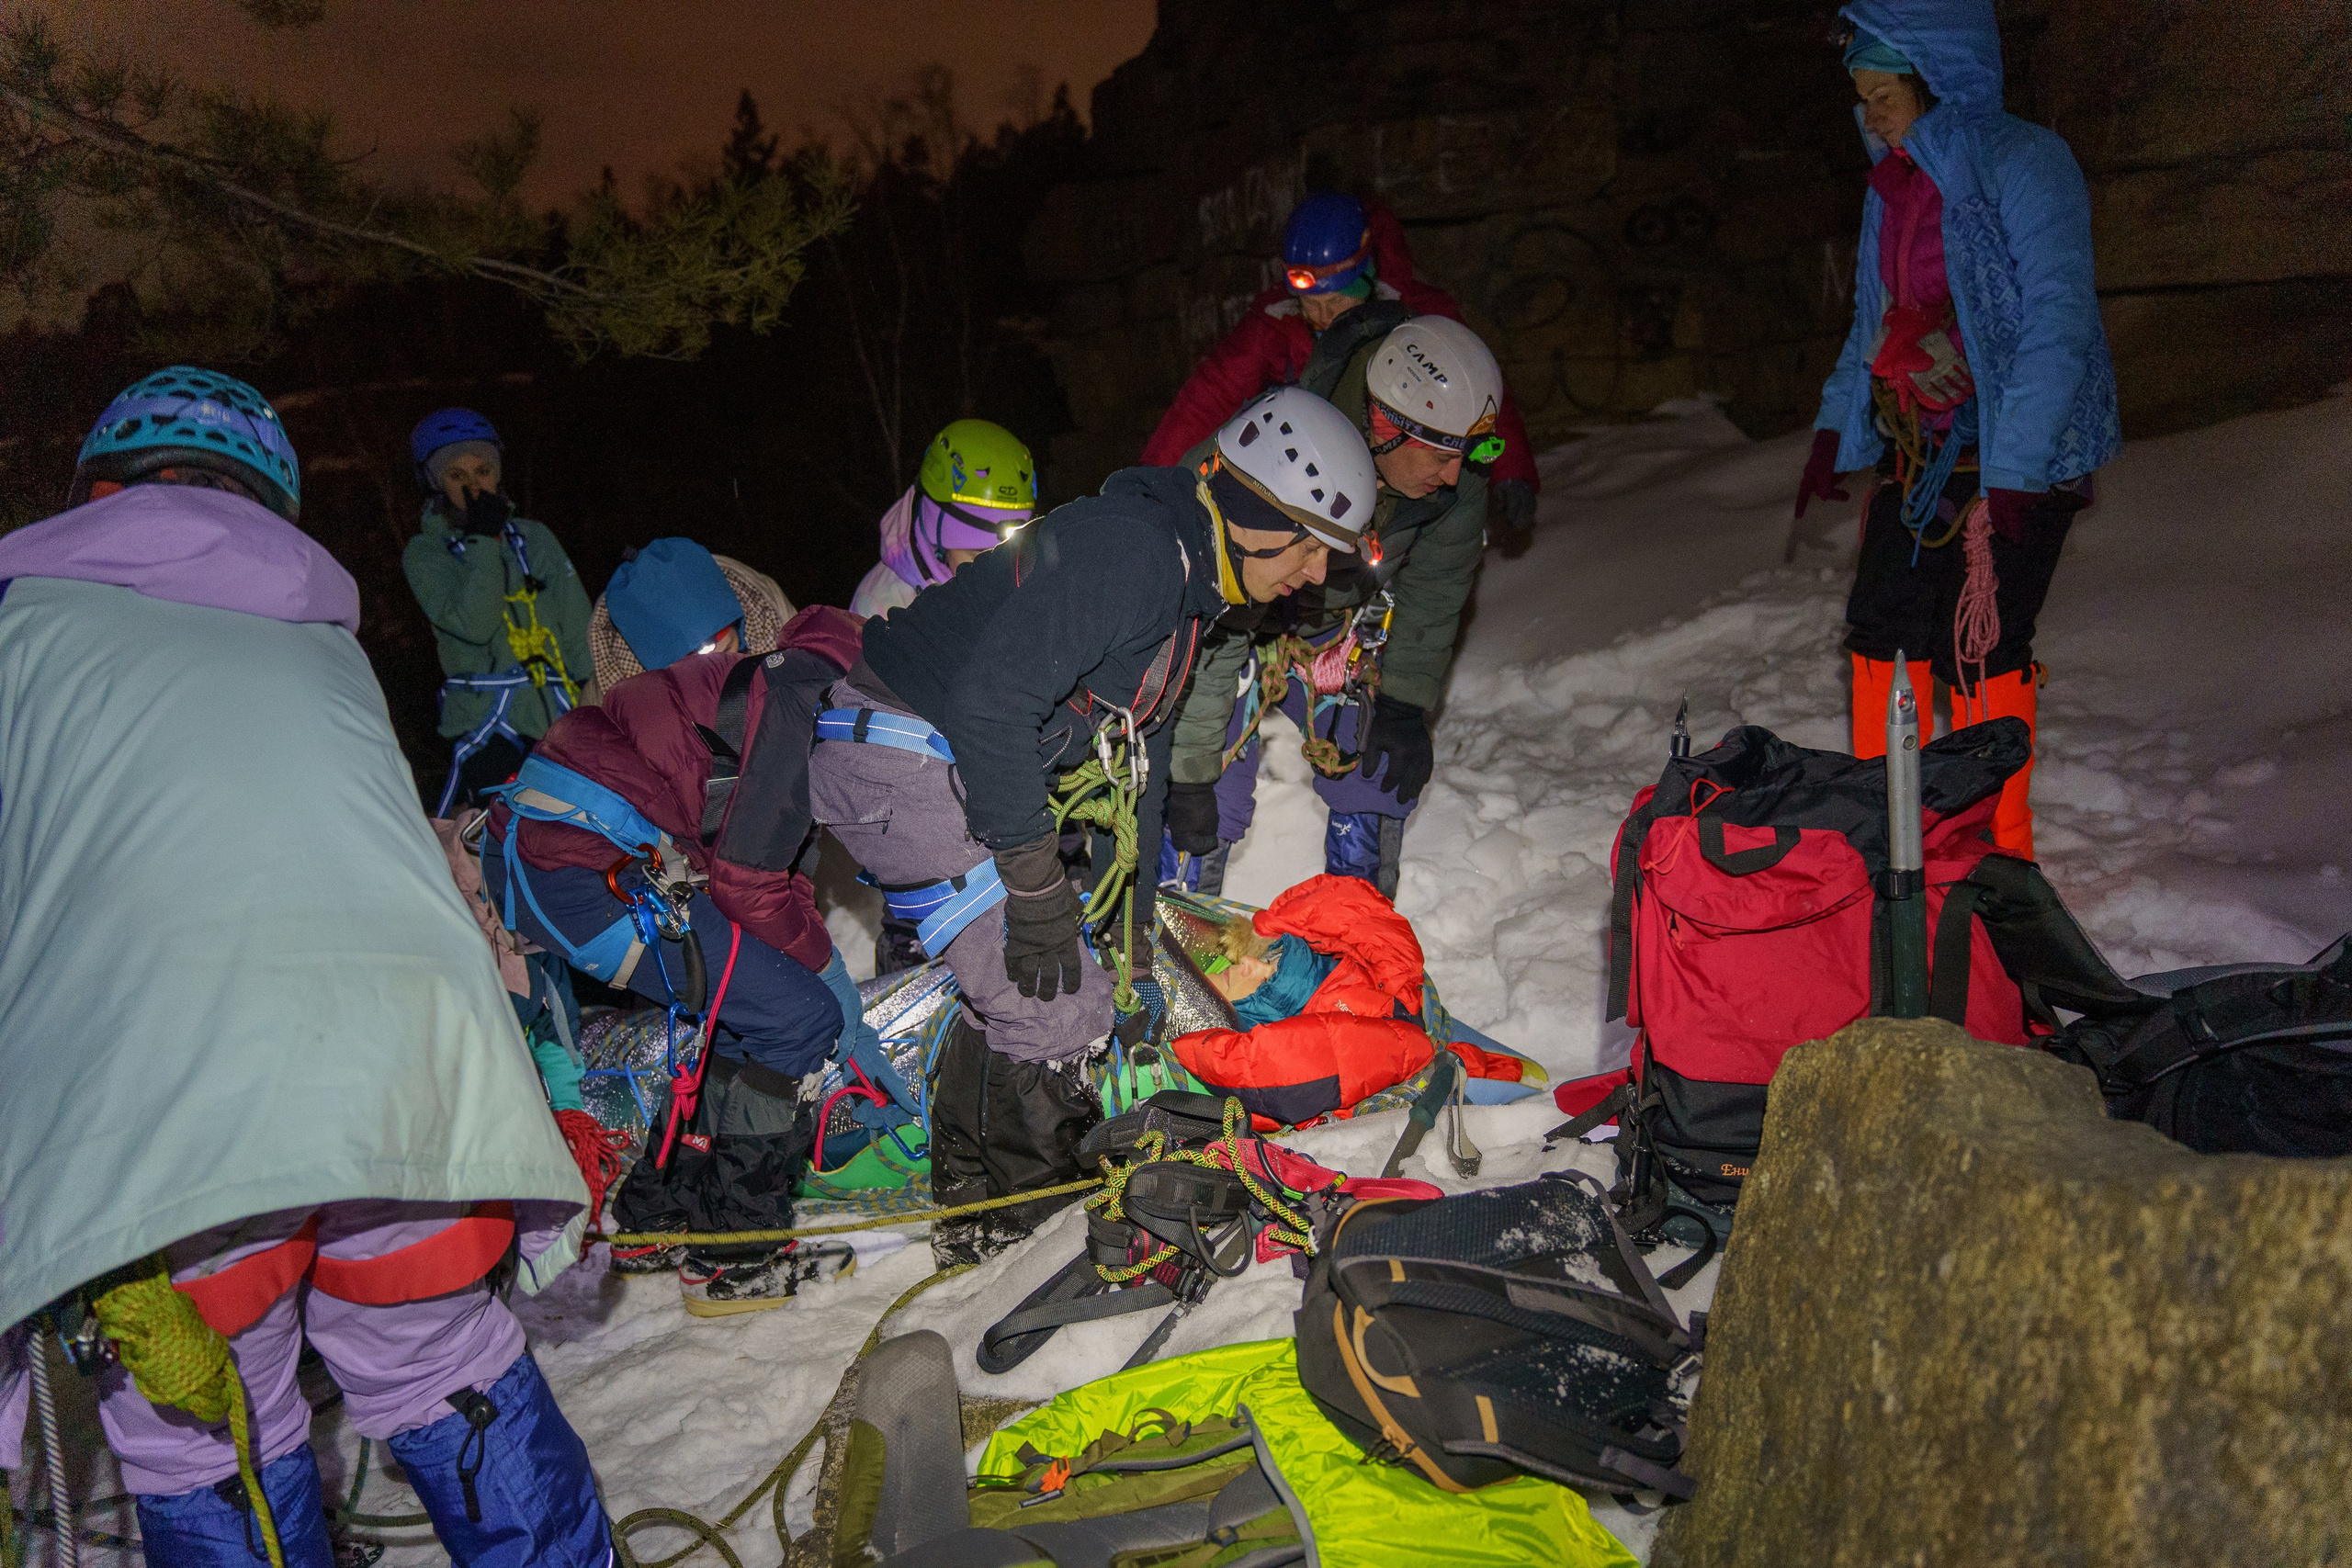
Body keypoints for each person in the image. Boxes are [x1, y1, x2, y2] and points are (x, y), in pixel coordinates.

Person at [0, 367, 610, 1568]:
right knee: (443, 1362)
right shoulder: (321, 645)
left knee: (208, 1431)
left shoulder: (23, 630)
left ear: (101, 489)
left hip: (176, 1099)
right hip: (410, 1063)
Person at [808, 386, 1377, 1263]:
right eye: (1304, 542)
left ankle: (978, 1219)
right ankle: (1032, 1244)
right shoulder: (1137, 555)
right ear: (1253, 510)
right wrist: (1039, 891)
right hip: (899, 751)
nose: (1311, 572)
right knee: (1059, 1005)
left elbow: (1134, 763)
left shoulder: (1189, 591)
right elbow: (992, 707)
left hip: (934, 753)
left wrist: (1133, 937)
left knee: (1039, 986)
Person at [481, 600, 876, 1312]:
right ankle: (735, 1255)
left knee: (750, 1011)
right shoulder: (808, 704)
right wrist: (828, 981)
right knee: (797, 1019)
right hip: (587, 870)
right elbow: (748, 882)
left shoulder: (771, 686)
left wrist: (814, 961)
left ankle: (658, 1213)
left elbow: (776, 870)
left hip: (552, 854)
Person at [1793, 0, 2120, 858]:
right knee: (1881, 628)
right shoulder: (1894, 188)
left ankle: (1999, 853)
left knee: (1979, 645)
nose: (1870, 116)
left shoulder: (2025, 162)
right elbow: (1874, 319)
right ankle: (1890, 834)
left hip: (2019, 456)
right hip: (1923, 451)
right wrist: (1835, 428)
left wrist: (2016, 470)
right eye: (1862, 98)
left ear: (1937, 79)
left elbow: (2057, 321)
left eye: (1884, 95)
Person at [1161, 315, 1507, 898]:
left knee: (1373, 767)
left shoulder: (1454, 478)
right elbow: (1195, 581)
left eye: (1467, 454)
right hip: (1228, 621)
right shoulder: (1277, 443)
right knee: (1203, 789)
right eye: (1441, 453)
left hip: (1328, 622)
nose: (1454, 474)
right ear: (1387, 425)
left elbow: (1439, 583)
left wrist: (1403, 700)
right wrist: (1190, 764)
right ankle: (1171, 927)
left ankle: (1357, 935)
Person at [1141, 191, 1542, 553]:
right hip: (1318, 484)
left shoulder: (1421, 321)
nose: (1320, 317)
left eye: (1333, 304)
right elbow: (1209, 394)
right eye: (1308, 304)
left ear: (1364, 282)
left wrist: (1513, 472)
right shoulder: (1276, 322)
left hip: (1403, 498)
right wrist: (1148, 486)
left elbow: (1476, 395)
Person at [1171, 875, 1524, 1128]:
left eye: (1258, 960)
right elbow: (1272, 1068)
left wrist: (1270, 927)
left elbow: (1360, 909)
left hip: (1483, 1093)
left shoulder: (1345, 981)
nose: (1247, 963)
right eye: (1228, 970)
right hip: (1459, 1071)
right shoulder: (1280, 1029)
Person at [402, 408, 594, 815]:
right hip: (487, 727)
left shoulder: (535, 538)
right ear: (435, 483)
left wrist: (598, 705)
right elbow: (476, 623)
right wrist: (483, 541)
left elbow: (578, 627)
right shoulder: (425, 554)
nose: (474, 485)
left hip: (560, 719)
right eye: (457, 475)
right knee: (506, 833)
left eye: (483, 470)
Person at [848, 418, 1038, 618]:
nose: (998, 573)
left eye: (1010, 553)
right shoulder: (880, 609)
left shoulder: (1028, 580)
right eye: (980, 556)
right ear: (938, 538)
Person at [586, 537, 796, 696]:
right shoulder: (610, 714)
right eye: (694, 671)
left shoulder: (785, 639)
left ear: (737, 623)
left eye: (727, 652)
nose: (720, 675)